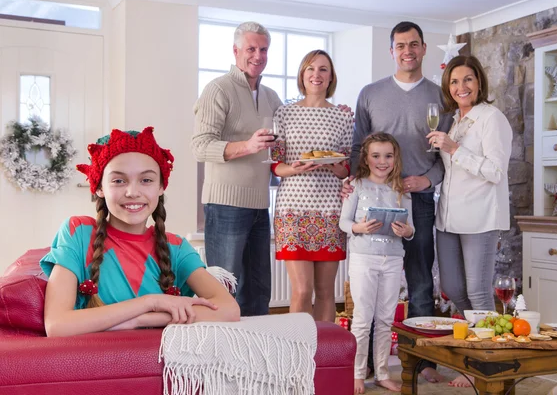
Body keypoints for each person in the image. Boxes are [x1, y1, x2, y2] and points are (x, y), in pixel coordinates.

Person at [41, 127, 241, 337]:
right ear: (99, 188)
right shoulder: (78, 233)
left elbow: (229, 309)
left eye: (146, 180)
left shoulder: (176, 248)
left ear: (161, 186)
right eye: (118, 180)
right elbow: (57, 324)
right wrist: (151, 302)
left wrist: (140, 319)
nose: (133, 192)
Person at [344, 21, 452, 382]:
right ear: (391, 51)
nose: (407, 51)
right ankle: (371, 368)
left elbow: (446, 155)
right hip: (373, 200)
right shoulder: (371, 93)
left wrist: (428, 179)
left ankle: (422, 365)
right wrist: (356, 185)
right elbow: (359, 146)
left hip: (416, 200)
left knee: (420, 281)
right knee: (371, 297)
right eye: (400, 45)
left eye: (414, 44)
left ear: (423, 48)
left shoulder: (440, 97)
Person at [426, 55, 512, 388]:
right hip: (448, 218)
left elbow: (495, 171)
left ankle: (486, 367)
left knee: (477, 290)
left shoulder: (492, 118)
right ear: (448, 88)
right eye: (454, 82)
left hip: (480, 217)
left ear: (479, 82)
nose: (461, 87)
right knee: (453, 288)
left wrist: (455, 148)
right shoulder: (453, 121)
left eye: (468, 80)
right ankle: (472, 353)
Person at [191, 21, 282, 316]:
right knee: (224, 289)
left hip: (259, 205)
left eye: (264, 49)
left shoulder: (271, 96)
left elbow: (286, 141)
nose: (258, 55)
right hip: (225, 204)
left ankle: (255, 359)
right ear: (235, 51)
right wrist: (247, 145)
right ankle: (218, 359)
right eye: (251, 49)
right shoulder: (218, 89)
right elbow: (200, 146)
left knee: (258, 291)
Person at [271, 50, 353, 322]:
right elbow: (276, 165)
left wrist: (330, 165)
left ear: (331, 77)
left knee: (326, 291)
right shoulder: (284, 114)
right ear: (302, 75)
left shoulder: (343, 117)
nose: (316, 75)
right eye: (310, 69)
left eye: (323, 69)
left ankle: (326, 357)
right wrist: (295, 168)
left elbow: (346, 169)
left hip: (330, 209)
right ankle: (299, 357)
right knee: (302, 291)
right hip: (292, 211)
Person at [340, 133, 414, 394]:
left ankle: (382, 372)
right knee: (362, 318)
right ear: (366, 158)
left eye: (388, 156)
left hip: (393, 260)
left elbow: (411, 228)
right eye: (376, 156)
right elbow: (344, 222)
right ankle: (358, 373)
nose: (382, 161)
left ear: (395, 159)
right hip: (364, 259)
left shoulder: (401, 190)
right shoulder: (356, 185)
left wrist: (405, 231)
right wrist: (359, 227)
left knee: (385, 319)